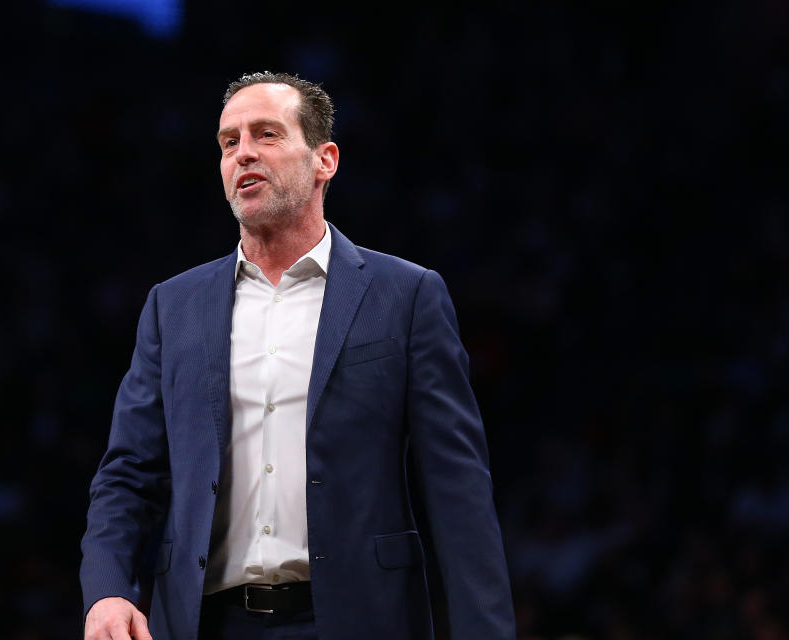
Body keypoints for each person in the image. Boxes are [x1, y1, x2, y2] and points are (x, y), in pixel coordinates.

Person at [80, 71, 515, 640]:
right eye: (229, 141)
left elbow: (456, 488)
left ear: (324, 160)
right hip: (204, 623)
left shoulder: (405, 295)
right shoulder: (173, 305)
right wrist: (108, 590)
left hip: (361, 621)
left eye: (266, 134)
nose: (244, 154)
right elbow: (128, 474)